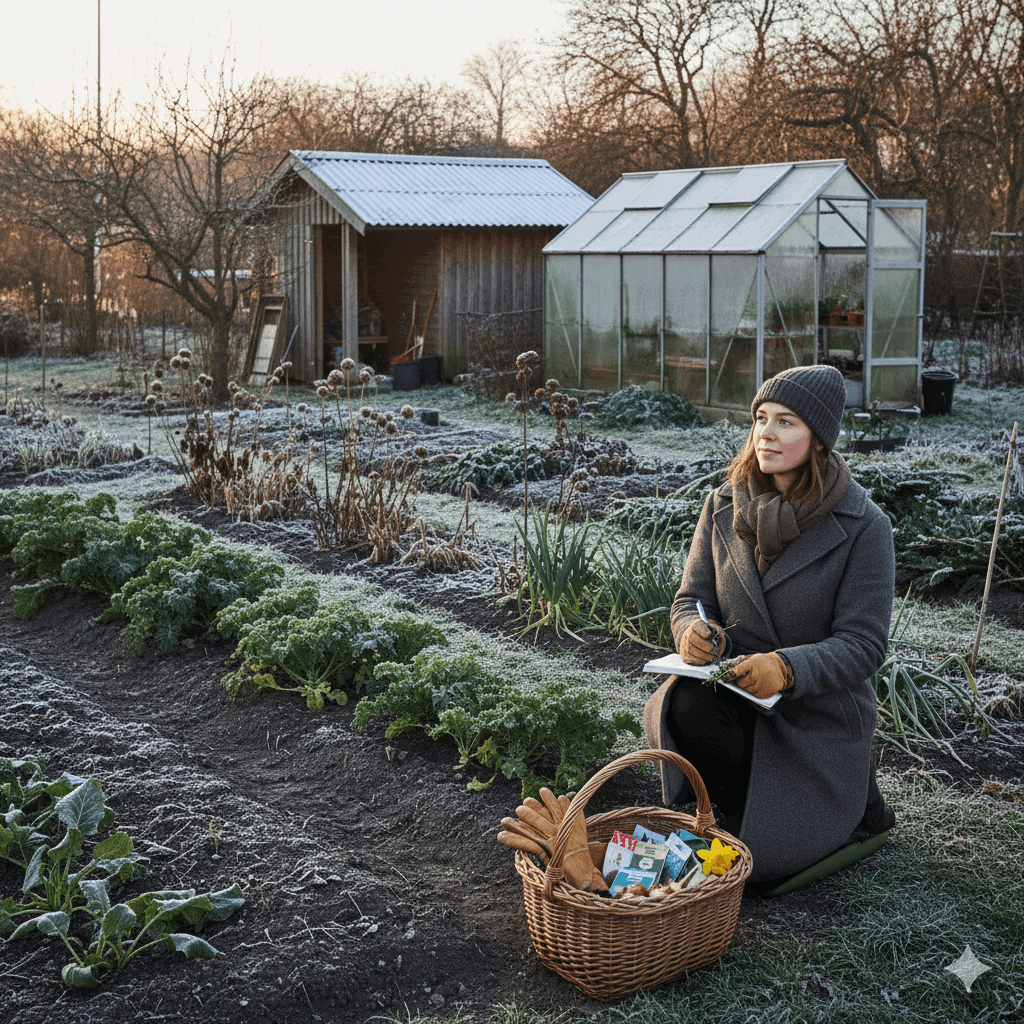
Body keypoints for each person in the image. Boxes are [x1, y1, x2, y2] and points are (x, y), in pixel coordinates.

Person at [644, 364, 896, 885]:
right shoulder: (722, 504)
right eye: (761, 418)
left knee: (754, 871)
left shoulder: (864, 526)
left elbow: (864, 644)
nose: (766, 433)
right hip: (737, 690)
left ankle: (853, 806)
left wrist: (786, 668)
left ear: (818, 438)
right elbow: (691, 599)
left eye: (786, 422)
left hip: (812, 712)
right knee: (684, 702)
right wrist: (692, 632)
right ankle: (737, 803)